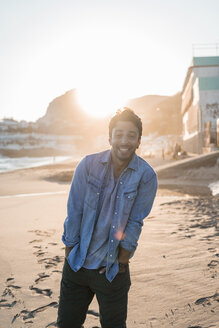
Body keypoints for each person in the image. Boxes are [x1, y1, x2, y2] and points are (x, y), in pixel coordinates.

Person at [57, 108, 158, 328]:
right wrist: (70, 250)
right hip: (77, 265)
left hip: (112, 272)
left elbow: (135, 222)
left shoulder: (146, 176)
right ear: (109, 137)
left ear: (139, 141)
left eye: (131, 135)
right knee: (67, 324)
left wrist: (122, 260)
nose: (125, 140)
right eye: (119, 134)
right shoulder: (88, 165)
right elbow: (74, 211)